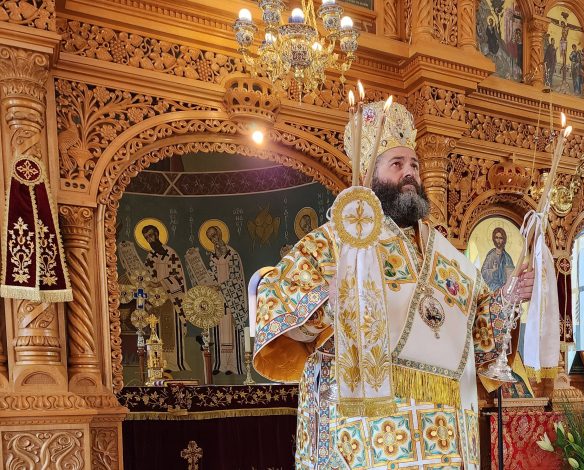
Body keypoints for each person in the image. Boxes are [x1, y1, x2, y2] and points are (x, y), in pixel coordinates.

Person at [253, 101, 537, 469]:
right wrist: (329, 305)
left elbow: (477, 340)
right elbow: (276, 307)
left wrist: (508, 297)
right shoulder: (337, 241)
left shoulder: (446, 256)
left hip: (441, 427)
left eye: (414, 165)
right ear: (370, 175)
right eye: (397, 164)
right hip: (364, 428)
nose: (410, 173)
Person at [142, 224, 190, 372]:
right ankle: (159, 364)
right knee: (157, 330)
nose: (150, 239)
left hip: (171, 298)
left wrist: (161, 283)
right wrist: (149, 284)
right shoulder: (150, 257)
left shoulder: (170, 253)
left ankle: (175, 363)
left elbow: (177, 276)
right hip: (156, 299)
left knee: (172, 331)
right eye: (147, 238)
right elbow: (146, 276)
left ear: (157, 234)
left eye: (151, 235)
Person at [205, 224, 248, 375]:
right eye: (210, 238)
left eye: (215, 235)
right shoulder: (212, 257)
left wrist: (222, 286)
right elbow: (211, 275)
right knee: (219, 331)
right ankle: (221, 364)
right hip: (218, 299)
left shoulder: (233, 254)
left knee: (232, 329)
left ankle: (234, 364)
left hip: (232, 298)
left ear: (220, 234)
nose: (214, 239)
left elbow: (237, 278)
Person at [481, 227, 515, 292]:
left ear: (504, 240)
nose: (498, 240)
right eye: (496, 238)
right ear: (494, 239)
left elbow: (512, 276)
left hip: (504, 290)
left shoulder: (507, 258)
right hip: (491, 289)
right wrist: (493, 270)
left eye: (501, 238)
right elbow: (483, 272)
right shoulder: (491, 256)